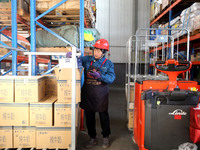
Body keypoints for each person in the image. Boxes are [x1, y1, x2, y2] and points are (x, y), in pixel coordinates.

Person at [67, 39, 116, 149]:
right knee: (89, 117)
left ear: (104, 52)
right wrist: (72, 56)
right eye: (95, 50)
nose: (96, 53)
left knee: (103, 116)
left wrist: (100, 76)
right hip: (88, 93)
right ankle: (92, 138)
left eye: (98, 51)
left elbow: (111, 79)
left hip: (101, 94)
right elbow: (77, 61)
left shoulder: (108, 64)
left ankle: (105, 137)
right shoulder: (87, 60)